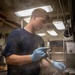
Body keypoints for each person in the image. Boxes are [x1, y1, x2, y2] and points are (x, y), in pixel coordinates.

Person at [2, 8, 66, 75]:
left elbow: (42, 60)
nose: (43, 25)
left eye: (45, 23)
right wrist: (32, 57)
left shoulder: (39, 39)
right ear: (34, 17)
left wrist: (53, 63)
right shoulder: (16, 34)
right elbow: (9, 59)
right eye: (42, 21)